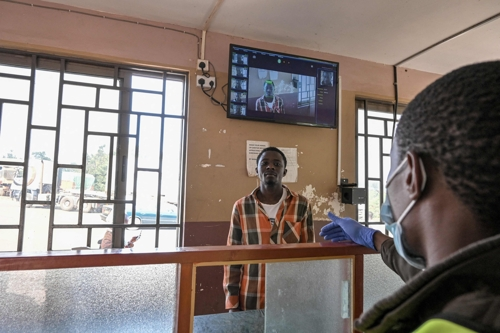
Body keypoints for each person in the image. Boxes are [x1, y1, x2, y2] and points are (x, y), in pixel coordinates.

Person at [320, 61, 500, 332]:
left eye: (392, 168)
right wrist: (371, 237)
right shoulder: (473, 285)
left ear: (412, 177)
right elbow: (435, 278)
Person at [223, 147, 314, 311]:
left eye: (276, 164)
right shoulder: (241, 207)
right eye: (264, 163)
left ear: (284, 171)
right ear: (257, 170)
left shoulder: (302, 204)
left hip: (290, 298)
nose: (270, 167)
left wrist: (306, 297)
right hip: (251, 297)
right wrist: (232, 302)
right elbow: (232, 258)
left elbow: (308, 257)